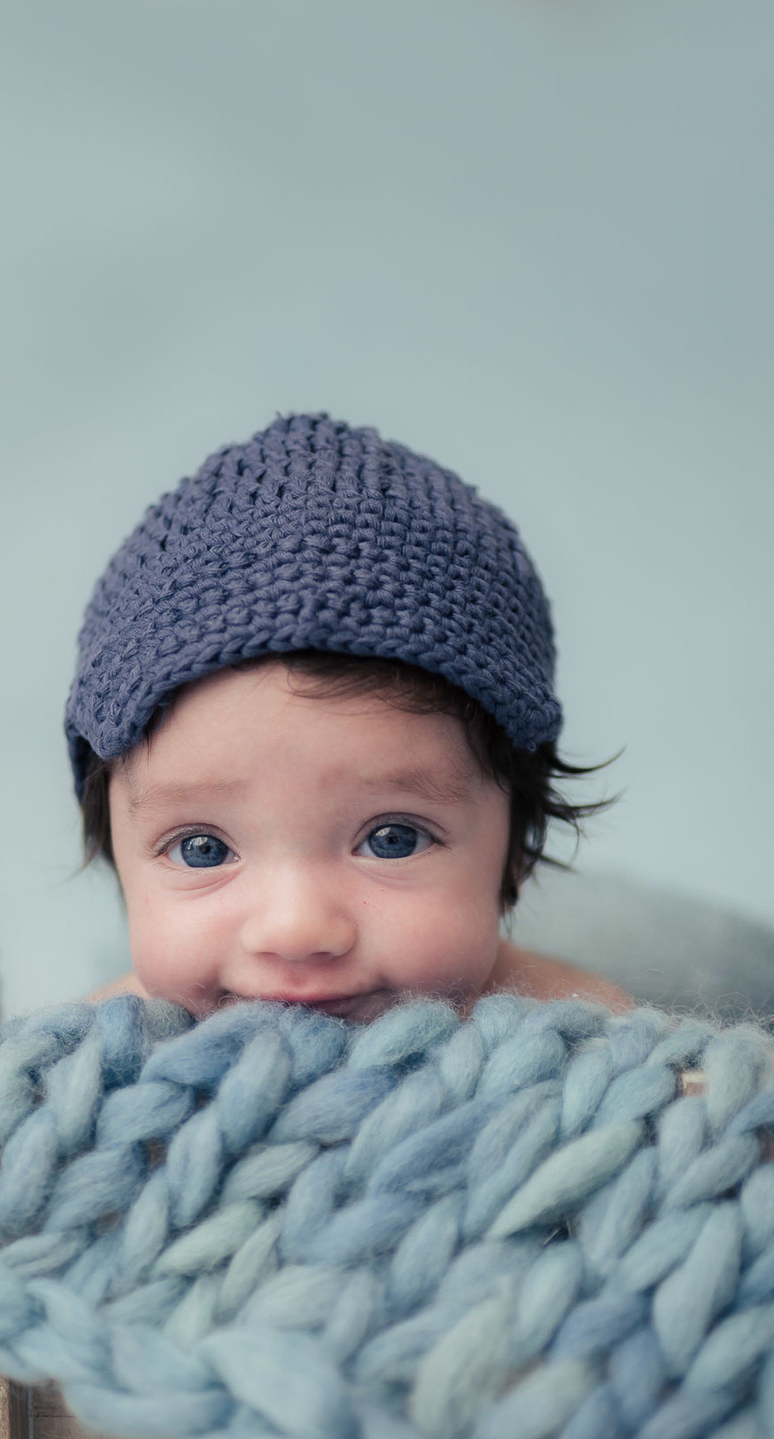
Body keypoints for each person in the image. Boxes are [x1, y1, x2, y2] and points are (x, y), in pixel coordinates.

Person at [65, 413, 632, 1022]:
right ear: (115, 855)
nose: (296, 929)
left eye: (393, 840)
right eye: (202, 850)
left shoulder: (575, 1034)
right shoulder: (100, 1056)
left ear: (516, 850)